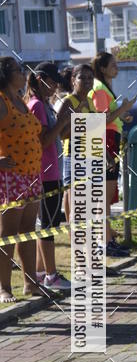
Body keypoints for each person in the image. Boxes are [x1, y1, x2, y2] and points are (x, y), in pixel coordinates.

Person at [26, 62, 73, 291]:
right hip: (45, 173)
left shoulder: (44, 104)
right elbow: (44, 140)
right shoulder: (37, 106)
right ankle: (51, 275)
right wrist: (63, 122)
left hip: (51, 171)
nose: (55, 86)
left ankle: (40, 271)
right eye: (52, 81)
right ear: (39, 78)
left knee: (47, 223)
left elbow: (55, 136)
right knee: (48, 227)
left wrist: (67, 124)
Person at [0, 57, 43, 302]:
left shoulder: (22, 101)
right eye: (18, 70)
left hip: (32, 173)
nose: (23, 74)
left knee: (28, 230)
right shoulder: (1, 100)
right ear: (6, 74)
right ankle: (4, 287)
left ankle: (31, 282)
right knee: (8, 234)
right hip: (11, 176)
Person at [89, 52, 136, 257]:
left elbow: (110, 115)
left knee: (107, 195)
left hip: (111, 137)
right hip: (105, 138)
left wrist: (122, 114)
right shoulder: (99, 88)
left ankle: (107, 238)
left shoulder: (106, 88)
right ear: (102, 68)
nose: (117, 68)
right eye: (113, 65)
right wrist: (122, 109)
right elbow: (100, 118)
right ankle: (104, 241)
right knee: (104, 195)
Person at [59, 64, 95, 224]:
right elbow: (61, 134)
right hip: (75, 157)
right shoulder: (69, 102)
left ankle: (87, 245)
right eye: (82, 77)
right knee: (78, 206)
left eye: (90, 78)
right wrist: (79, 118)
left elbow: (94, 130)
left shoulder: (89, 101)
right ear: (73, 80)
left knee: (88, 206)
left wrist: (106, 155)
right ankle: (77, 243)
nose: (87, 81)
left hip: (91, 154)